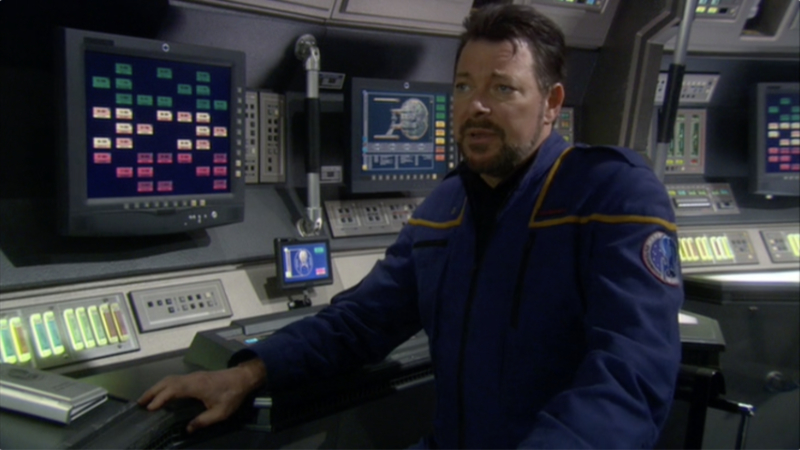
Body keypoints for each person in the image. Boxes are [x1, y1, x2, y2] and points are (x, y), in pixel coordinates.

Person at [139, 4, 683, 448]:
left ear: (552, 103)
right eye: (464, 86)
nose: (476, 107)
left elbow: (629, 376)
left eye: (502, 89)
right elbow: (360, 322)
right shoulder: (445, 207)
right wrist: (245, 373)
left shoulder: (610, 195)